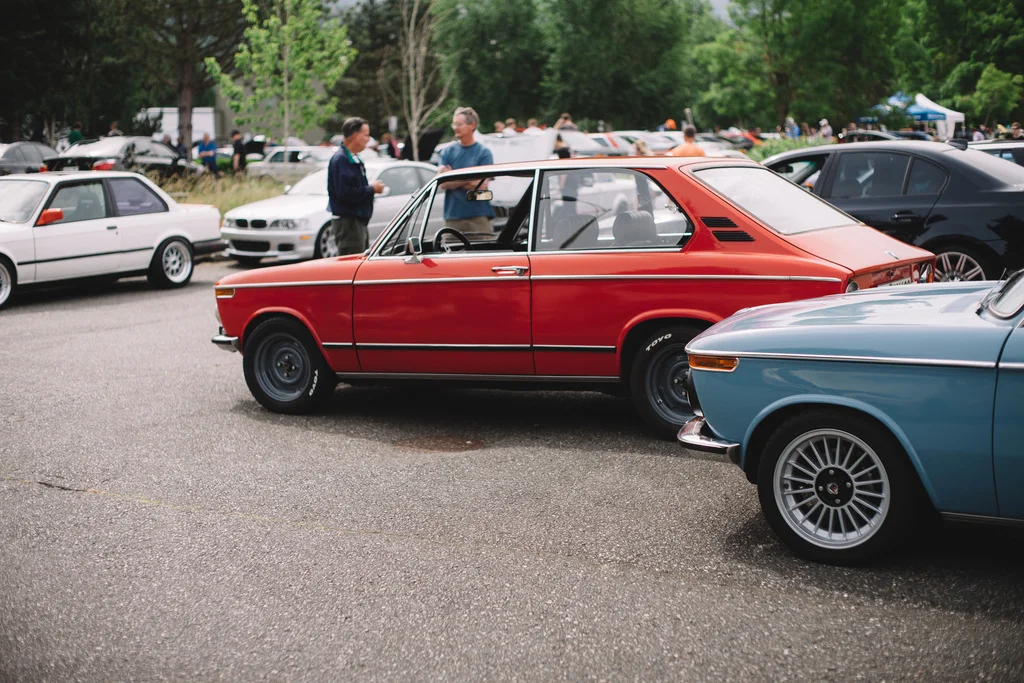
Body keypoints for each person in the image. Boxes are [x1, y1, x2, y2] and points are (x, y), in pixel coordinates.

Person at [327, 117, 386, 255]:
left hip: (357, 222)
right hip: (349, 224)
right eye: (366, 135)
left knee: (361, 259)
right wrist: (372, 189)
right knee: (352, 262)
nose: (368, 139)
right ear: (354, 135)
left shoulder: (353, 158)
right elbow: (345, 193)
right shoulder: (341, 159)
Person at [437, 106, 494, 236]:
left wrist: (452, 176)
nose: (455, 127)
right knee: (451, 249)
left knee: (482, 249)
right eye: (454, 124)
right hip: (453, 216)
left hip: (479, 216)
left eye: (459, 124)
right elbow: (442, 183)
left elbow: (481, 186)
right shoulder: (447, 151)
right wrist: (471, 178)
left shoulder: (484, 153)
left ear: (472, 125)